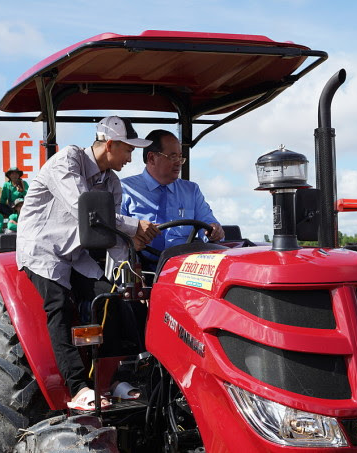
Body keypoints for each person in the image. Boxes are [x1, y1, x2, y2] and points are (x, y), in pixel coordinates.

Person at [17, 116, 159, 411]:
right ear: (110, 144)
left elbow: (112, 236)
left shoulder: (112, 182)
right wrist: (134, 228)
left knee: (111, 298)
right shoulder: (67, 161)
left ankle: (117, 378)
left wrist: (130, 277)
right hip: (43, 249)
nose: (131, 157)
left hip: (75, 252)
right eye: (128, 150)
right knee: (59, 307)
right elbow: (86, 212)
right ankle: (79, 387)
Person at [120, 129, 224, 263]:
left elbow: (208, 224)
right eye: (173, 156)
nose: (178, 162)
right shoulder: (125, 189)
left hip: (182, 269)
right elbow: (113, 231)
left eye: (180, 157)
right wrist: (129, 241)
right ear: (151, 158)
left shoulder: (191, 191)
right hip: (138, 267)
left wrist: (214, 231)